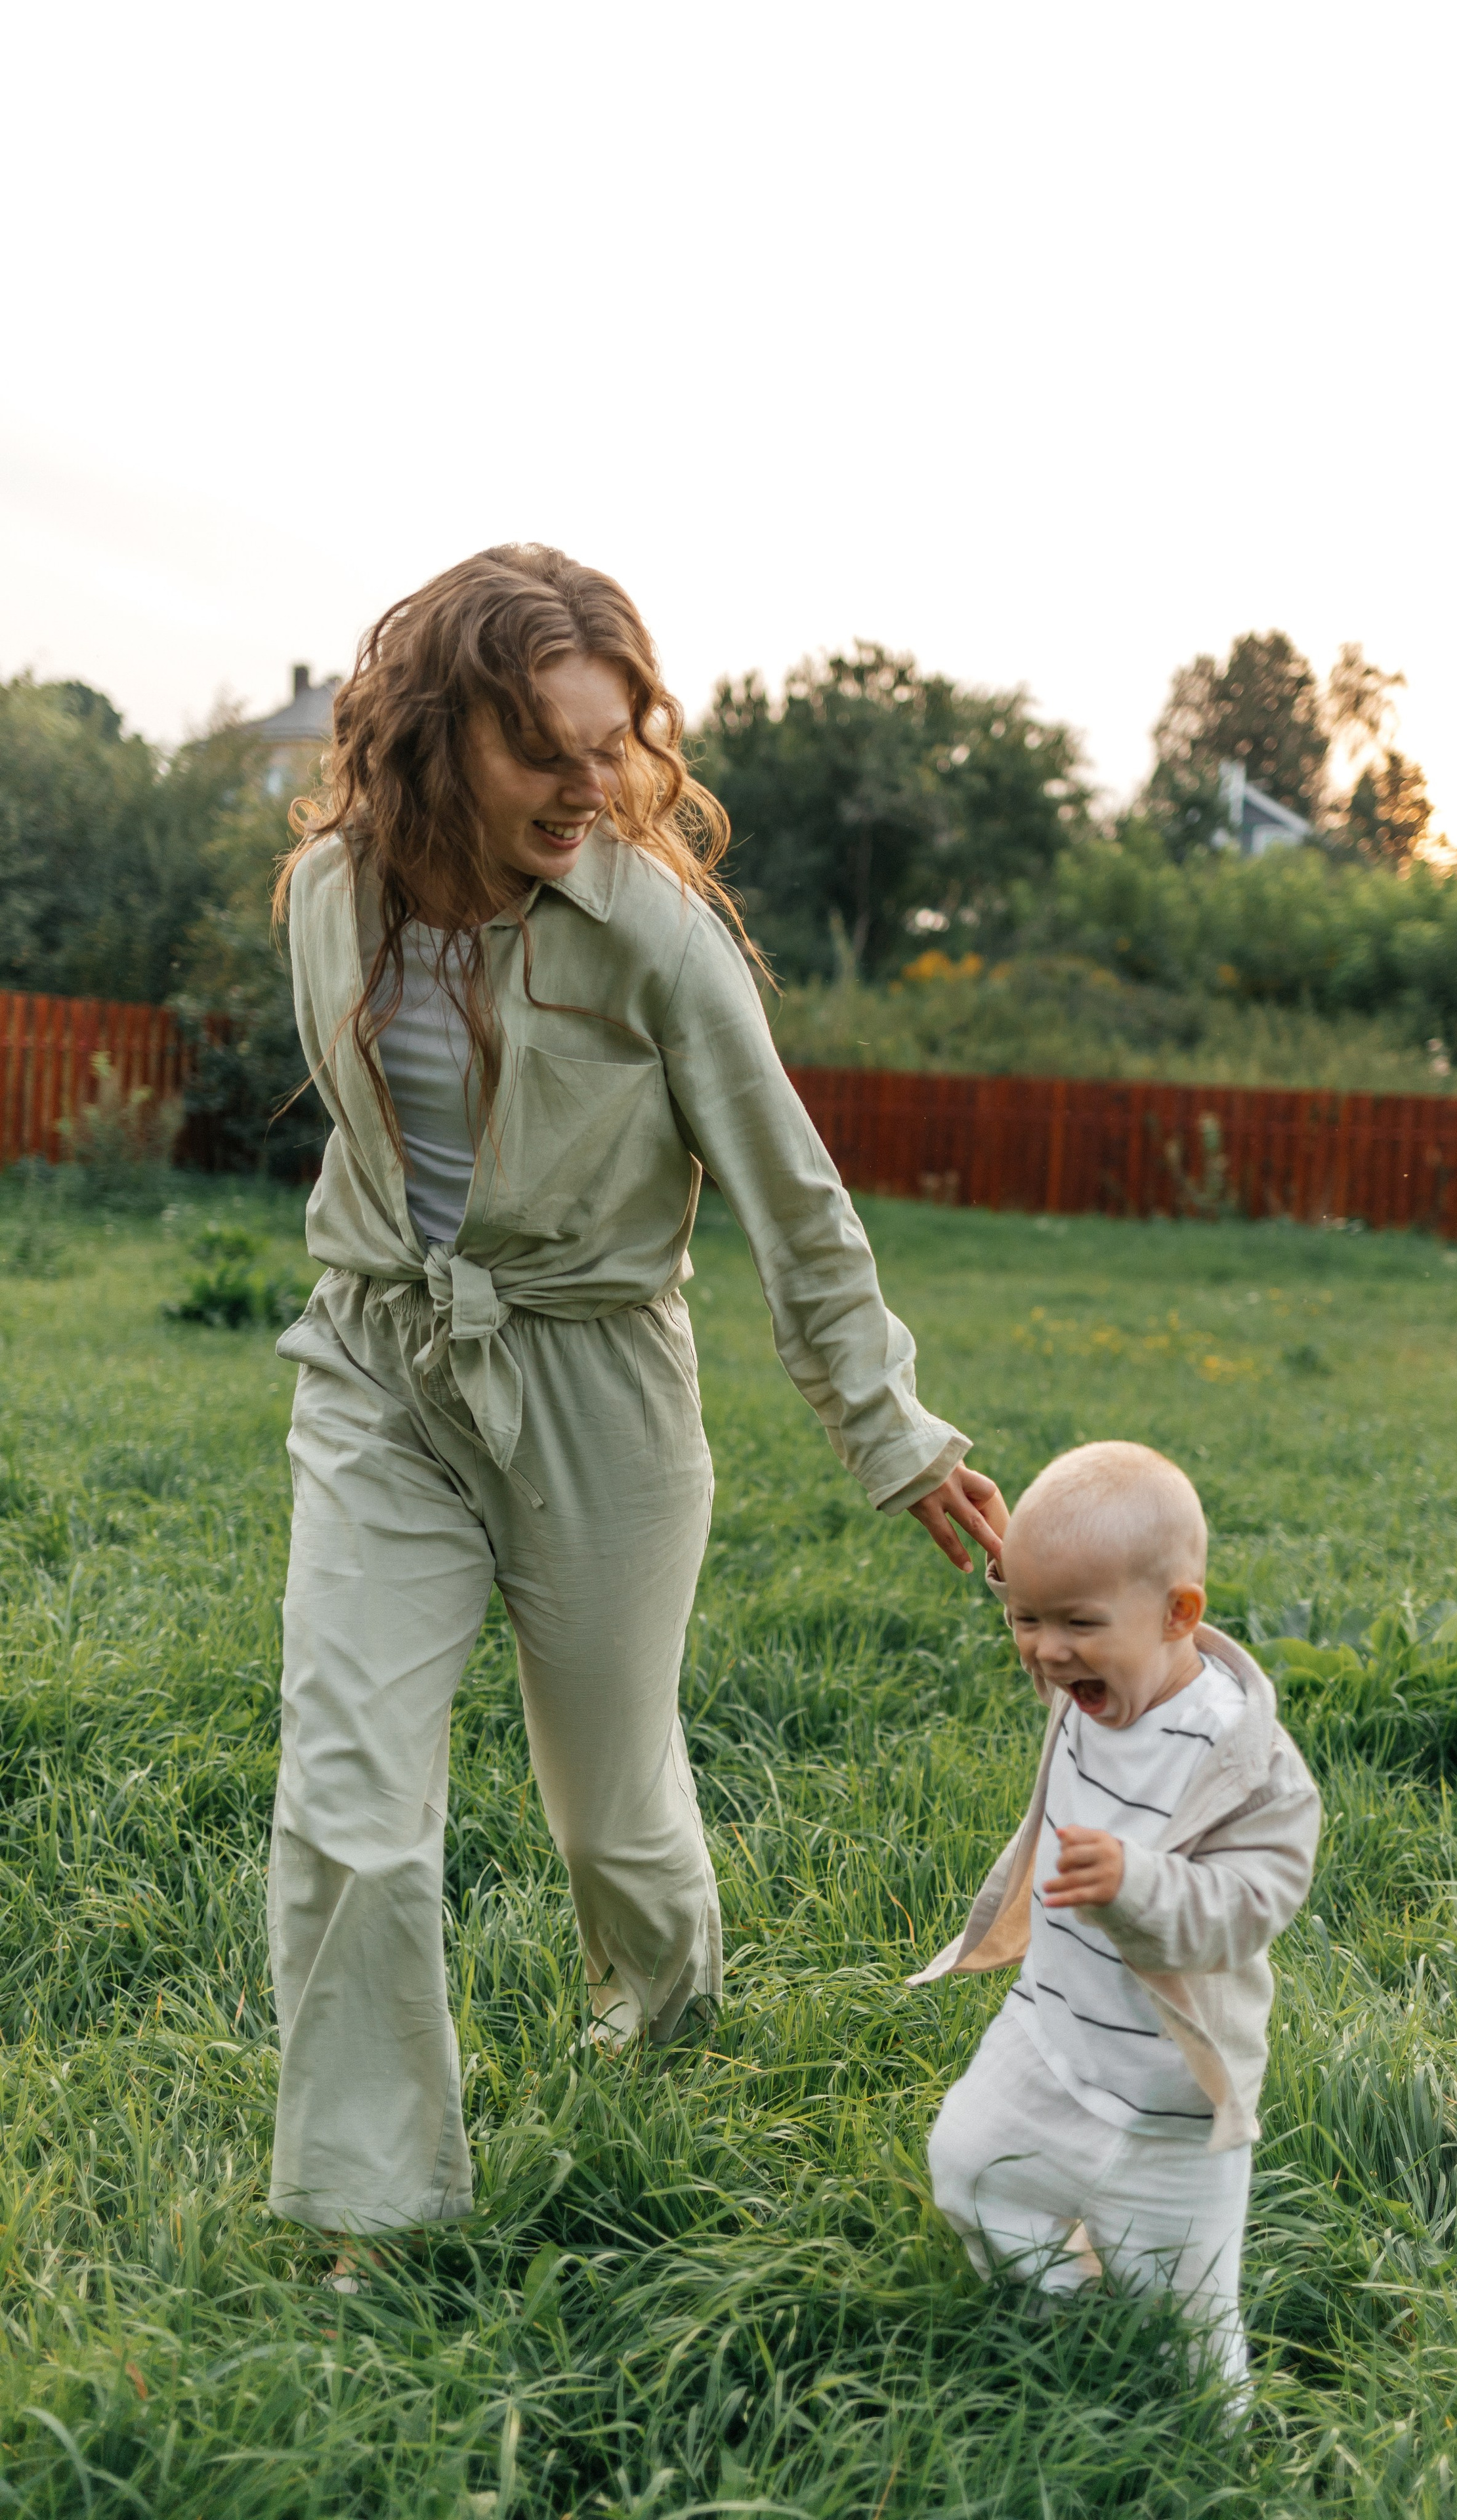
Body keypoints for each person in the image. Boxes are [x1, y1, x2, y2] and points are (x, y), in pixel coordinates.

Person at [266, 543, 1004, 2246]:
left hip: (600, 1384)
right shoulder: (330, 897)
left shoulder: (657, 932)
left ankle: (662, 2049)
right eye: (548, 751)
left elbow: (792, 1196)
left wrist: (890, 1429)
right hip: (385, 1366)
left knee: (618, 1819)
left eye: (616, 745)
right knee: (350, 1809)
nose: (592, 786)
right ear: (440, 734)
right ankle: (375, 2213)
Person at [913, 1441, 1319, 2396]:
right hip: (1050, 2037)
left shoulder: (1243, 1757)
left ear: (1180, 1614)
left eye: (1077, 1624)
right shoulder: (1093, 1676)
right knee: (970, 2168)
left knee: (1186, 2326)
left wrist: (1136, 1885)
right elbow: (1054, 1600)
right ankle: (1059, 2326)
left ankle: (1208, 2452)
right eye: (1026, 1620)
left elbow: (1252, 1908)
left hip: (1169, 2096)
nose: (1047, 1653)